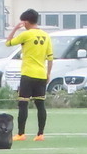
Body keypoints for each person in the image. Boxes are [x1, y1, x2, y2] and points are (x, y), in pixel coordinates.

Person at [7, 10, 54, 140]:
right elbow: (50, 58)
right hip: (41, 74)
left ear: (26, 22)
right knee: (40, 105)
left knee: (23, 104)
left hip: (28, 74)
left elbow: (8, 42)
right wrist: (48, 73)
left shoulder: (26, 35)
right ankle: (40, 134)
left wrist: (16, 29)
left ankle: (21, 133)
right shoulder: (46, 36)